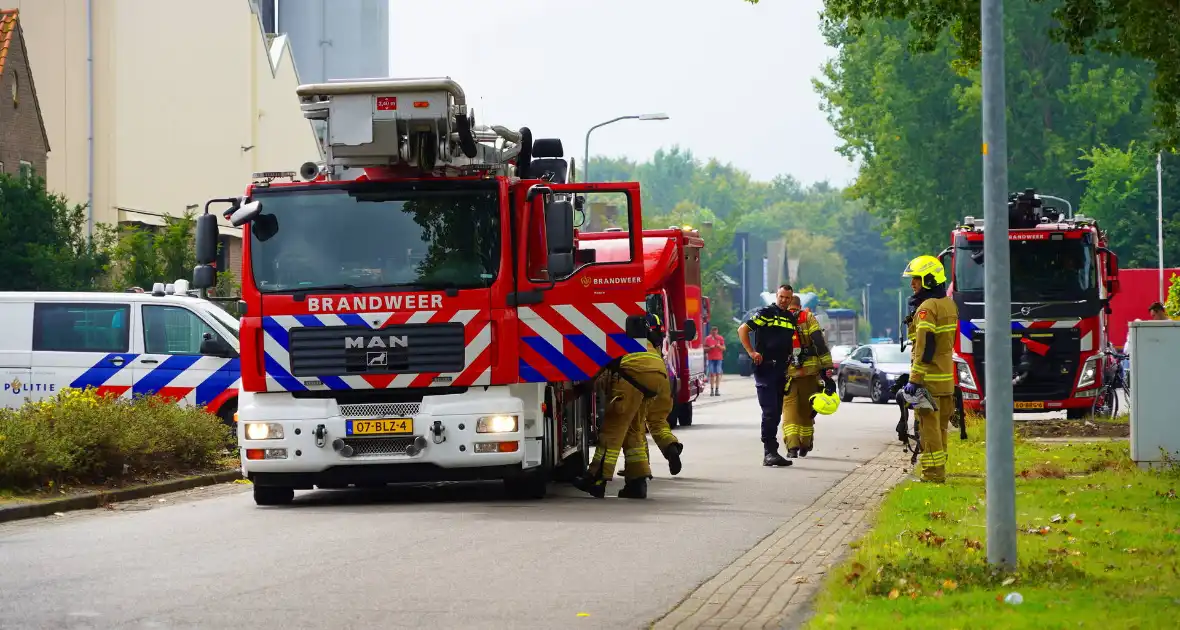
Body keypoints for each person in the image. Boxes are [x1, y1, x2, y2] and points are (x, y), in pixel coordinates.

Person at [572, 314, 683, 499]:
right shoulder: (649, 345)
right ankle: (637, 482)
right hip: (659, 376)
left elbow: (599, 371)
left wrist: (579, 390)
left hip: (632, 376)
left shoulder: (615, 339)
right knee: (636, 429)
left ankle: (596, 480)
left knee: (612, 431)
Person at [900, 255, 958, 483]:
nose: (912, 284)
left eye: (917, 279)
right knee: (942, 428)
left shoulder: (926, 308)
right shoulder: (949, 304)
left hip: (928, 380)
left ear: (930, 280)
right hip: (946, 379)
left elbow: (925, 346)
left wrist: (914, 379)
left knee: (928, 427)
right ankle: (939, 471)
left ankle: (932, 475)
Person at [738, 285, 798, 467]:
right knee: (770, 411)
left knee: (777, 412)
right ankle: (769, 452)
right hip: (765, 369)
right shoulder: (766, 313)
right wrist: (751, 352)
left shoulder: (789, 318)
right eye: (781, 297)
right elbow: (742, 330)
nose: (784, 300)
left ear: (791, 298)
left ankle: (773, 452)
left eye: (788, 298)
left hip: (781, 370)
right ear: (776, 296)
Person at [781, 296, 836, 458]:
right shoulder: (808, 317)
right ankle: (805, 444)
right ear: (799, 305)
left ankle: (792, 447)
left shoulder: (779, 318)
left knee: (789, 412)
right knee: (807, 411)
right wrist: (827, 369)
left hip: (788, 375)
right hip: (810, 373)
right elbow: (819, 342)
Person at [704, 326, 727, 396]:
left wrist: (719, 346)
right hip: (711, 358)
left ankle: (717, 389)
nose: (714, 332)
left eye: (715, 331)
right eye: (713, 331)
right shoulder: (708, 339)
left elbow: (724, 348)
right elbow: (704, 348)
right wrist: (709, 348)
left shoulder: (720, 338)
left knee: (718, 374)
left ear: (717, 331)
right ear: (711, 331)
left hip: (719, 358)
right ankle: (711, 390)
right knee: (712, 374)